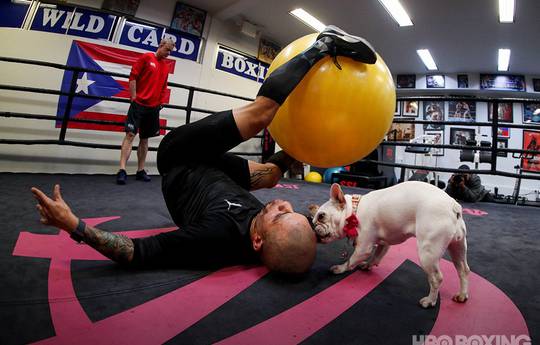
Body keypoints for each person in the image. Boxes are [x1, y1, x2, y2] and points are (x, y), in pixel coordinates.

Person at [31, 26, 377, 275]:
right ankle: (299, 140)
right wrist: (344, 220)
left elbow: (136, 252)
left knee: (259, 117)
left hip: (180, 159)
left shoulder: (213, 239)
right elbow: (304, 223)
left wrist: (74, 226)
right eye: (292, 212)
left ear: (257, 241)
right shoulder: (280, 235)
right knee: (273, 175)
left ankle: (323, 44)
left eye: (280, 214)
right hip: (220, 174)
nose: (285, 205)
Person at [116, 38, 176, 185]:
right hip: (139, 104)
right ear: (161, 46)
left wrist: (161, 102)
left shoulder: (165, 66)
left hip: (153, 108)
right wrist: (133, 97)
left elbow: (164, 86)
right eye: (167, 50)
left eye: (170, 51)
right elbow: (133, 76)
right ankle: (122, 170)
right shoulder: (146, 57)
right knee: (130, 134)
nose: (169, 53)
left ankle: (140, 170)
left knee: (145, 139)